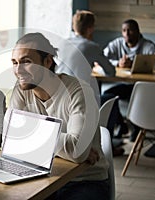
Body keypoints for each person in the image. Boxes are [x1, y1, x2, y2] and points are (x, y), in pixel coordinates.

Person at [8, 32, 109, 200]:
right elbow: (11, 138)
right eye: (14, 62)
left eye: (26, 62)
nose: (18, 70)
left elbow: (76, 152)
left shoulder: (78, 91)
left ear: (47, 62)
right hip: (42, 176)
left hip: (84, 180)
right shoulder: (21, 90)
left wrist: (30, 133)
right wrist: (67, 145)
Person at [56, 10, 124, 156]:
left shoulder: (63, 44)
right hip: (80, 100)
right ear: (90, 28)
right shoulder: (91, 46)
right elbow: (110, 72)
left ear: (74, 26)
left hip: (59, 96)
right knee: (111, 98)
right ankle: (108, 143)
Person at [103, 19, 155, 141]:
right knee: (107, 96)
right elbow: (102, 58)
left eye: (130, 30)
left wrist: (133, 64)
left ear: (137, 31)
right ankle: (121, 124)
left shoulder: (148, 45)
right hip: (125, 84)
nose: (127, 34)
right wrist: (118, 63)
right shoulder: (118, 43)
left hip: (144, 86)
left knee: (138, 96)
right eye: (124, 30)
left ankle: (136, 128)